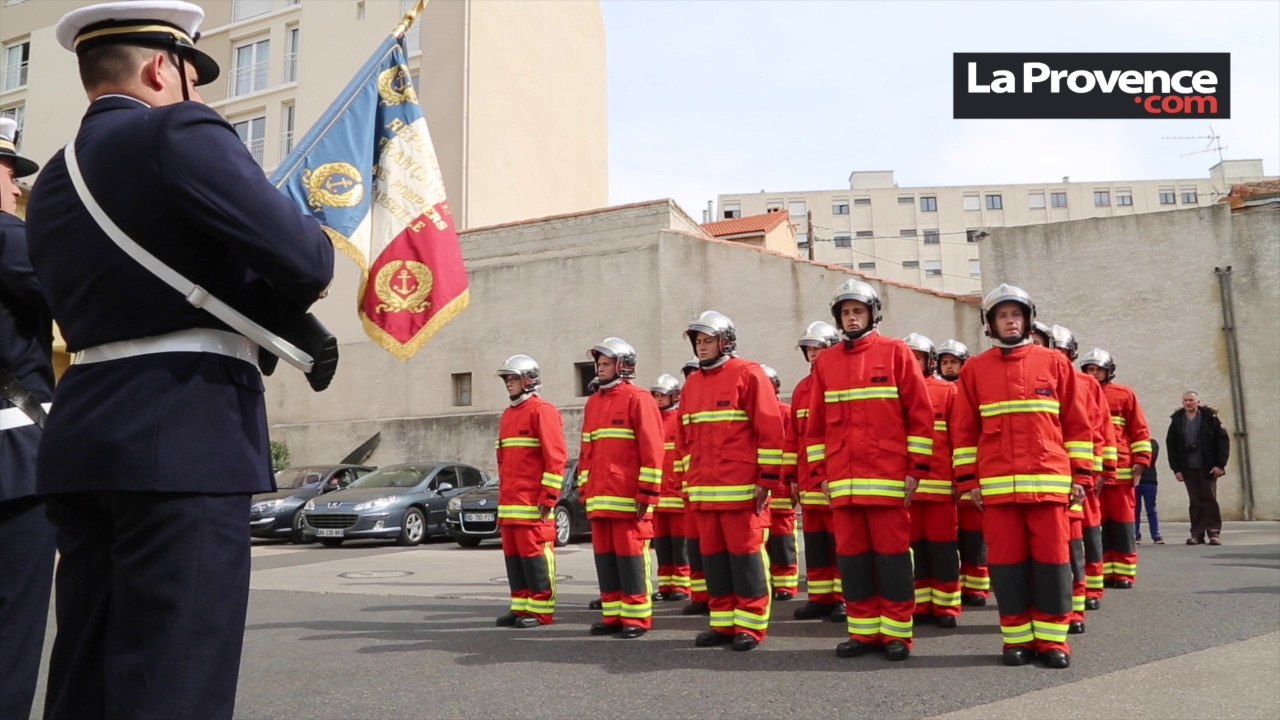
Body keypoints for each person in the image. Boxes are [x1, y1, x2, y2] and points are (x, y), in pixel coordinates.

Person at [25, 3, 335, 717]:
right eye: (193, 73)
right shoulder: (180, 128)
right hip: (184, 432)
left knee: (87, 672)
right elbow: (305, 259)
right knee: (175, 674)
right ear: (164, 67)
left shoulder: (49, 186)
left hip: (85, 433)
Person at [951, 284, 1093, 669]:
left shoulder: (1055, 363)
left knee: (1052, 564)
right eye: (1002, 316)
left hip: (1049, 485)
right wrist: (969, 482)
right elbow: (964, 431)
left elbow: (1077, 426)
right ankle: (1015, 639)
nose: (1010, 322)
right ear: (990, 324)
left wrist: (1081, 475)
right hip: (997, 490)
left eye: (1016, 315)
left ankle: (1053, 641)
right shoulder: (975, 370)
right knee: (1007, 566)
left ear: (1027, 320)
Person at [804, 280, 934, 662]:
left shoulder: (895, 353)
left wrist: (916, 470)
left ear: (872, 313)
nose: (851, 317)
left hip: (888, 478)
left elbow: (919, 414)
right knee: (854, 560)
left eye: (857, 311)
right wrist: (821, 474)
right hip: (842, 484)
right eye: (845, 312)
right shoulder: (826, 362)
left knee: (892, 558)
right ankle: (862, 632)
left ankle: (896, 633)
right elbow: (815, 426)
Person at [678, 310, 785, 652]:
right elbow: (685, 438)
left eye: (708, 340)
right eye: (698, 341)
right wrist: (688, 482)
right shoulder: (693, 383)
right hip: (705, 491)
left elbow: (770, 430)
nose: (702, 347)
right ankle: (723, 622)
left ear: (725, 341)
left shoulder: (748, 374)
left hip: (741, 489)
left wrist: (766, 480)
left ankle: (750, 626)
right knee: (714, 560)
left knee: (746, 558)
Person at [0, 116, 55, 720]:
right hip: (12, 463)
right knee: (11, 634)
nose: (16, 189)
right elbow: (79, 290)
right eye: (9, 172)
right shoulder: (7, 238)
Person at [578, 338, 664, 639]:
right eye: (598, 365)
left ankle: (637, 618)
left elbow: (652, 449)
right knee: (606, 560)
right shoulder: (594, 402)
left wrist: (648, 493)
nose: (600, 369)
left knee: (630, 559)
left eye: (605, 364)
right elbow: (586, 451)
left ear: (622, 365)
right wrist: (584, 488)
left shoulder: (639, 399)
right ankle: (613, 615)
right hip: (600, 498)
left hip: (628, 499)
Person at [494, 354, 568, 628]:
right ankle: (521, 605)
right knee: (515, 559)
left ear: (528, 380)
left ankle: (541, 610)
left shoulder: (542, 411)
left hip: (533, 504)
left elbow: (555, 457)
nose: (509, 384)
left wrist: (548, 497)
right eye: (507, 379)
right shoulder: (509, 414)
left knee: (536, 557)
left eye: (513, 378)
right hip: (512, 503)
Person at [1049, 323, 1112, 631]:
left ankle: (1086, 593)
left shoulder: (1086, 384)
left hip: (1077, 475)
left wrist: (1095, 471)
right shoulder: (1039, 378)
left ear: (1070, 353)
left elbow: (1097, 432)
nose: (1056, 355)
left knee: (1081, 538)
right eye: (1053, 349)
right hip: (1050, 475)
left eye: (1062, 351)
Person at [902, 332, 961, 629]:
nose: (913, 362)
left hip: (940, 486)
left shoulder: (947, 392)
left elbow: (959, 437)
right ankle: (921, 603)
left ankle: (947, 606)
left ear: (929, 361)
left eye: (918, 357)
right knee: (915, 550)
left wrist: (959, 479)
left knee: (943, 550)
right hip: (907, 489)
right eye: (908, 357)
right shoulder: (894, 392)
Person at [1080, 348, 1152, 587]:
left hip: (1121, 472)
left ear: (1108, 371)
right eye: (1089, 369)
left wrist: (1141, 461)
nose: (1094, 374)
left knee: (1122, 524)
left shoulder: (1124, 395)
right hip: (1093, 471)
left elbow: (1139, 430)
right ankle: (1098, 571)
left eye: (1098, 369)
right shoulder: (1078, 392)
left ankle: (1122, 573)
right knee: (1094, 526)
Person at [788, 320, 845, 622]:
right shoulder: (801, 389)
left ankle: (844, 597)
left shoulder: (839, 382)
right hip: (809, 480)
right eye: (808, 350)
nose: (812, 354)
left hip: (833, 477)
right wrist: (792, 476)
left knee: (842, 542)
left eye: (817, 349)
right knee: (816, 543)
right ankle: (821, 597)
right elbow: (795, 436)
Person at [938, 338, 990, 607]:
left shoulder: (970, 391)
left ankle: (978, 585)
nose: (948, 367)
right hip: (946, 476)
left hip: (970, 475)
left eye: (953, 362)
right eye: (944, 362)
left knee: (974, 535)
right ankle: (956, 584)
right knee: (951, 538)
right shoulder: (936, 391)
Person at [1166, 391, 1229, 545]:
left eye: (1192, 400)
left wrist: (1220, 465)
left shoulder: (1210, 418)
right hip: (1188, 468)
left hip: (1208, 467)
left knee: (1209, 499)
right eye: (1186, 400)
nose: (1189, 403)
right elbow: (1171, 446)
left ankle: (1214, 533)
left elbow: (1222, 441)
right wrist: (1177, 469)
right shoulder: (1177, 421)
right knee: (1195, 501)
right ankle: (1197, 534)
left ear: (1198, 402)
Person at [760, 363, 801, 601]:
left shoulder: (785, 412)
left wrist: (792, 479)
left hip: (782, 487)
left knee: (783, 537)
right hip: (762, 487)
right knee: (761, 539)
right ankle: (767, 579)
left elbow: (793, 448)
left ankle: (785, 583)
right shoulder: (754, 413)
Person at [650, 373, 691, 601]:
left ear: (674, 396)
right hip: (659, 496)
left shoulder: (680, 419)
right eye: (655, 395)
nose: (657, 400)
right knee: (663, 545)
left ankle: (682, 585)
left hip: (676, 494)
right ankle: (665, 584)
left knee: (680, 544)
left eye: (662, 396)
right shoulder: (652, 420)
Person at [1135, 439, 1164, 544]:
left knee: (1151, 509)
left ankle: (1156, 535)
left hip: (1149, 480)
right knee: (1135, 509)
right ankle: (1135, 535)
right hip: (1135, 480)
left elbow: (1150, 458)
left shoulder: (1152, 443)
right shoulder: (1131, 443)